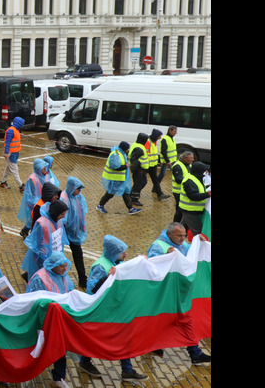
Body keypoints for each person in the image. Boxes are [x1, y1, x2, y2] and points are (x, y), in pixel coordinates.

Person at [77, 236, 148, 381]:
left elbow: (129, 269)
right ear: (114, 252)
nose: (125, 255)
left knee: (124, 336)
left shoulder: (116, 262)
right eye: (123, 252)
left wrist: (141, 261)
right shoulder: (101, 265)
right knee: (95, 337)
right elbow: (92, 289)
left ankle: (127, 370)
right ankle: (84, 361)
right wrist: (107, 277)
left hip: (114, 307)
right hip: (102, 310)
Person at [145, 222, 213, 364]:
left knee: (184, 320)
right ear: (169, 235)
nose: (183, 238)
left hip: (176, 292)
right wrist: (166, 256)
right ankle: (193, 353)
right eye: (179, 236)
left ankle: (194, 353)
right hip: (165, 293)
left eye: (184, 235)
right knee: (168, 320)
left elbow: (190, 257)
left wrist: (198, 243)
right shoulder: (159, 247)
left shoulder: (181, 244)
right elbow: (152, 269)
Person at [26, 254, 75, 388]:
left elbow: (70, 291)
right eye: (62, 266)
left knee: (61, 346)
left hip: (59, 318)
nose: (65, 269)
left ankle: (58, 376)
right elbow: (34, 300)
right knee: (38, 347)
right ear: (54, 266)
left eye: (66, 266)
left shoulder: (64, 276)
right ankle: (28, 371)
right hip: (44, 320)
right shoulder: (40, 278)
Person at [21, 199, 68, 281]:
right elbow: (37, 244)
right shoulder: (41, 223)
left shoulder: (58, 221)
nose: (63, 217)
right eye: (62, 214)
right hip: (42, 258)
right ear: (56, 213)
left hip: (53, 255)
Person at [96, 142, 142, 215]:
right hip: (115, 179)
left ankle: (131, 208)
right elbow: (114, 167)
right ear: (124, 149)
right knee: (110, 193)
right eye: (127, 149)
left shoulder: (121, 153)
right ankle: (100, 205)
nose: (128, 150)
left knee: (125, 193)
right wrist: (125, 166)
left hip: (121, 179)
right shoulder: (116, 154)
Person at [61, 176, 90, 288]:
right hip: (65, 230)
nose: (79, 192)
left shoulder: (79, 197)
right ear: (72, 188)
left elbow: (83, 210)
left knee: (78, 254)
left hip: (74, 232)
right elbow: (63, 216)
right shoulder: (64, 197)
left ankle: (82, 278)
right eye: (77, 189)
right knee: (58, 253)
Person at [18, 159, 51, 237]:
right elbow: (28, 193)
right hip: (34, 203)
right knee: (33, 220)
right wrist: (31, 203)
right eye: (44, 168)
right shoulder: (32, 178)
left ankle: (25, 231)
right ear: (39, 168)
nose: (45, 169)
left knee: (35, 220)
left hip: (43, 202)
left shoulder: (46, 176)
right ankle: (28, 233)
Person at [179, 161, 211, 236]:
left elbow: (199, 189)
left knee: (181, 228)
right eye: (204, 170)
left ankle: (173, 241)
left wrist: (207, 187)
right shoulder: (190, 181)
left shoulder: (196, 177)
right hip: (190, 210)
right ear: (199, 171)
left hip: (189, 210)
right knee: (198, 232)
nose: (206, 172)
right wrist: (207, 194)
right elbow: (193, 196)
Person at [0, 117, 24, 190]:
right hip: (11, 153)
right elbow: (7, 142)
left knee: (9, 168)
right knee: (14, 169)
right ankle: (20, 185)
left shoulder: (16, 130)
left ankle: (3, 182)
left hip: (15, 153)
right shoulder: (11, 130)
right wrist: (6, 152)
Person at [170, 151, 196, 222]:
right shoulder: (177, 166)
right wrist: (191, 182)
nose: (193, 159)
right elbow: (178, 179)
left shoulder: (189, 165)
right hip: (178, 192)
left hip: (184, 191)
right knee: (179, 210)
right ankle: (175, 225)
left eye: (192, 158)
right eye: (191, 158)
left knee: (182, 210)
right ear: (185, 158)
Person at [128, 133, 151, 207]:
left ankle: (131, 193)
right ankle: (134, 199)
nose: (146, 141)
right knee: (138, 184)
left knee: (143, 182)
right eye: (146, 140)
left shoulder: (138, 145)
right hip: (139, 170)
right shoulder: (139, 148)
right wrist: (138, 167)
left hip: (141, 169)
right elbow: (133, 159)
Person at [145, 129, 169, 201]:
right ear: (156, 135)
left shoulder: (153, 141)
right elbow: (146, 153)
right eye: (159, 136)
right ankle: (134, 194)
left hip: (153, 165)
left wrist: (157, 161)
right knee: (141, 181)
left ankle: (160, 194)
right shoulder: (148, 142)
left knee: (155, 180)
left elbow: (154, 153)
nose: (160, 137)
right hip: (147, 165)